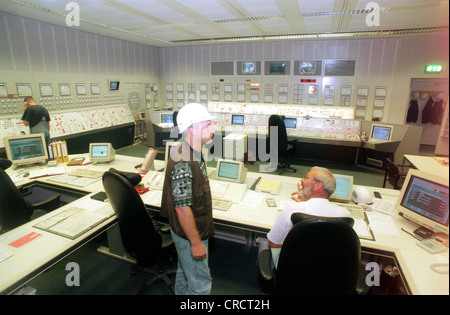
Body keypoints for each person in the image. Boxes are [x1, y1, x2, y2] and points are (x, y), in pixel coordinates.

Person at [160, 103, 215, 295]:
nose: (213, 129)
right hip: (190, 234)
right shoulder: (184, 160)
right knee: (200, 285)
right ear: (192, 129)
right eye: (207, 125)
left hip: (190, 231)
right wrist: (196, 242)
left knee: (185, 273)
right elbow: (182, 208)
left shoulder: (194, 152)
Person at [266, 166, 351, 267]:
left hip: (295, 269)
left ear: (317, 186)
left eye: (306, 178)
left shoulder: (293, 210)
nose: (301, 180)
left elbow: (273, 243)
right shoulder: (345, 214)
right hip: (329, 270)